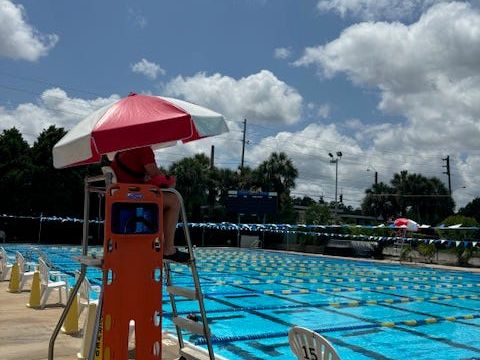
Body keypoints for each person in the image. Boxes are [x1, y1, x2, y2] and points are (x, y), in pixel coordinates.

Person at [111, 146, 189, 263]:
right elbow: (155, 174)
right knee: (174, 200)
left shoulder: (122, 151)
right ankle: (168, 250)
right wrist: (170, 180)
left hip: (121, 198)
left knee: (163, 200)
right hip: (134, 198)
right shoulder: (143, 149)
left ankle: (162, 243)